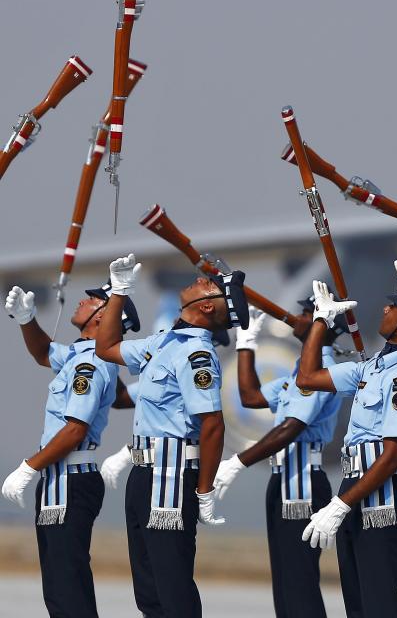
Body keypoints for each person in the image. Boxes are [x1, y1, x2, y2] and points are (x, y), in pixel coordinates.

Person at [94, 253, 248, 618]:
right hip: (145, 473)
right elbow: (106, 349)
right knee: (148, 589)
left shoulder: (197, 354)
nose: (199, 280)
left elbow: (212, 424)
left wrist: (205, 491)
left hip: (173, 478)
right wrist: (119, 292)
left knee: (171, 583)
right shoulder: (164, 342)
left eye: (209, 284)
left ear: (209, 307)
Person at [295, 275, 397, 618]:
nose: (384, 308)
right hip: (354, 482)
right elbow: (307, 377)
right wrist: (321, 320)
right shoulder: (372, 367)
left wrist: (338, 506)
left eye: (393, 307)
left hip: (380, 491)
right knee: (357, 598)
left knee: (379, 598)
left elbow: (392, 456)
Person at [2, 282, 138, 618]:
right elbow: (43, 352)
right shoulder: (81, 353)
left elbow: (75, 428)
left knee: (66, 585)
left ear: (104, 316)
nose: (83, 300)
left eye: (93, 299)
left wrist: (27, 467)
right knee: (59, 583)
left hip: (70, 478)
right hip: (60, 477)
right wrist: (26, 318)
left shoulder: (90, 363)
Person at [212, 297, 344, 618]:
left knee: (299, 586)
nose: (295, 318)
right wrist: (246, 343)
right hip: (284, 479)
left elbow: (291, 427)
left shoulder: (321, 370)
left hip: (302, 485)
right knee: (285, 586)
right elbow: (251, 397)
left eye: (305, 313)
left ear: (321, 324)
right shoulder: (300, 370)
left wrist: (238, 462)